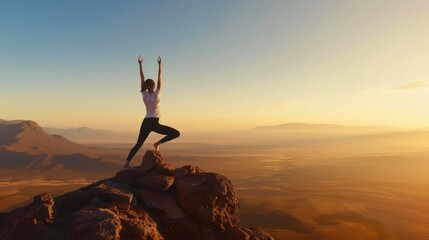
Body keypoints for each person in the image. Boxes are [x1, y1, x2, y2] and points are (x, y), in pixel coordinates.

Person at [124, 55, 180, 168]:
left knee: (139, 144)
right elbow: (155, 78)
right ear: (150, 86)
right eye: (149, 85)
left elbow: (152, 78)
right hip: (153, 123)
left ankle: (127, 164)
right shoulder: (152, 93)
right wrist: (158, 65)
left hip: (147, 122)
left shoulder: (148, 94)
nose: (149, 86)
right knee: (176, 133)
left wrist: (142, 65)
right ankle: (157, 144)